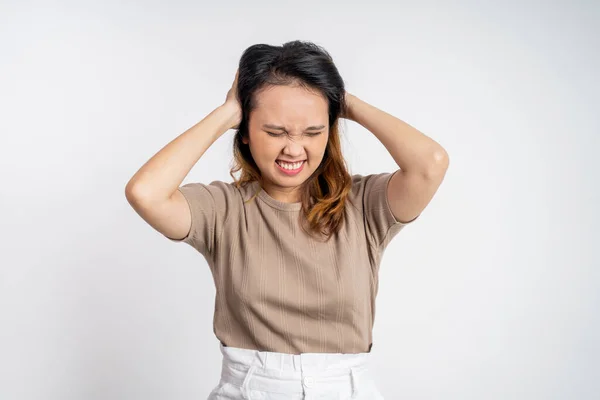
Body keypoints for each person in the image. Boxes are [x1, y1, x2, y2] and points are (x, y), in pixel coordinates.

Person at [125, 40, 449, 399]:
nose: (294, 148)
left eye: (313, 132)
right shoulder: (223, 209)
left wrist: (341, 100)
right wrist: (228, 111)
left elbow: (430, 163)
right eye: (276, 132)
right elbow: (145, 192)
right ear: (245, 132)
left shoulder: (363, 205)